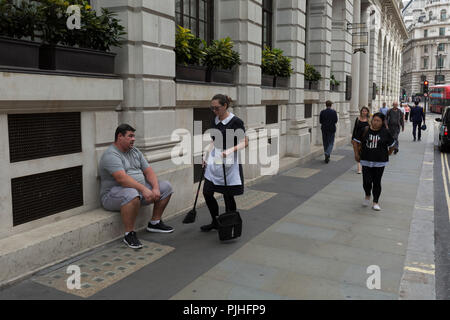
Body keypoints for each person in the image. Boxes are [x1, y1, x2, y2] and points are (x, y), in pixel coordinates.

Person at [98, 124, 174, 249]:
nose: (133, 139)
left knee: (166, 186)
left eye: (134, 136)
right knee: (131, 193)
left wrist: (154, 188)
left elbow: (148, 171)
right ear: (120, 137)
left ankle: (155, 222)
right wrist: (144, 189)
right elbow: (122, 179)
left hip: (138, 192)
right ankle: (129, 234)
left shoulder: (135, 151)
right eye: (130, 136)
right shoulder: (111, 155)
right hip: (112, 196)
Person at [201, 94, 249, 232]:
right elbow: (214, 141)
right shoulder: (215, 120)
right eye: (212, 108)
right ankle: (215, 221)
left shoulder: (235, 122)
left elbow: (244, 142)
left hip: (228, 161)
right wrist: (206, 155)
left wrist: (230, 150)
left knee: (228, 195)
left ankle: (231, 223)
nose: (214, 111)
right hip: (215, 158)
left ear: (225, 106)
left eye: (217, 108)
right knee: (207, 192)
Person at [352, 112, 396, 211]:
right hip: (366, 160)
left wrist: (388, 153)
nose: (375, 122)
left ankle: (375, 201)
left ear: (382, 122)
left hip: (380, 161)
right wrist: (356, 154)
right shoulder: (365, 130)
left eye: (378, 121)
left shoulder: (385, 132)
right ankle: (367, 195)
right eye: (374, 120)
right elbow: (355, 142)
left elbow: (392, 144)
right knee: (366, 181)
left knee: (377, 181)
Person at [351, 106, 370, 174]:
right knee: (357, 154)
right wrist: (352, 138)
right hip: (357, 139)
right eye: (363, 111)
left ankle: (364, 166)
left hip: (365, 140)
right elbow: (355, 129)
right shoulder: (358, 119)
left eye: (365, 111)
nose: (364, 112)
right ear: (361, 112)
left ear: (367, 112)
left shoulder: (369, 120)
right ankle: (359, 169)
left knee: (364, 153)